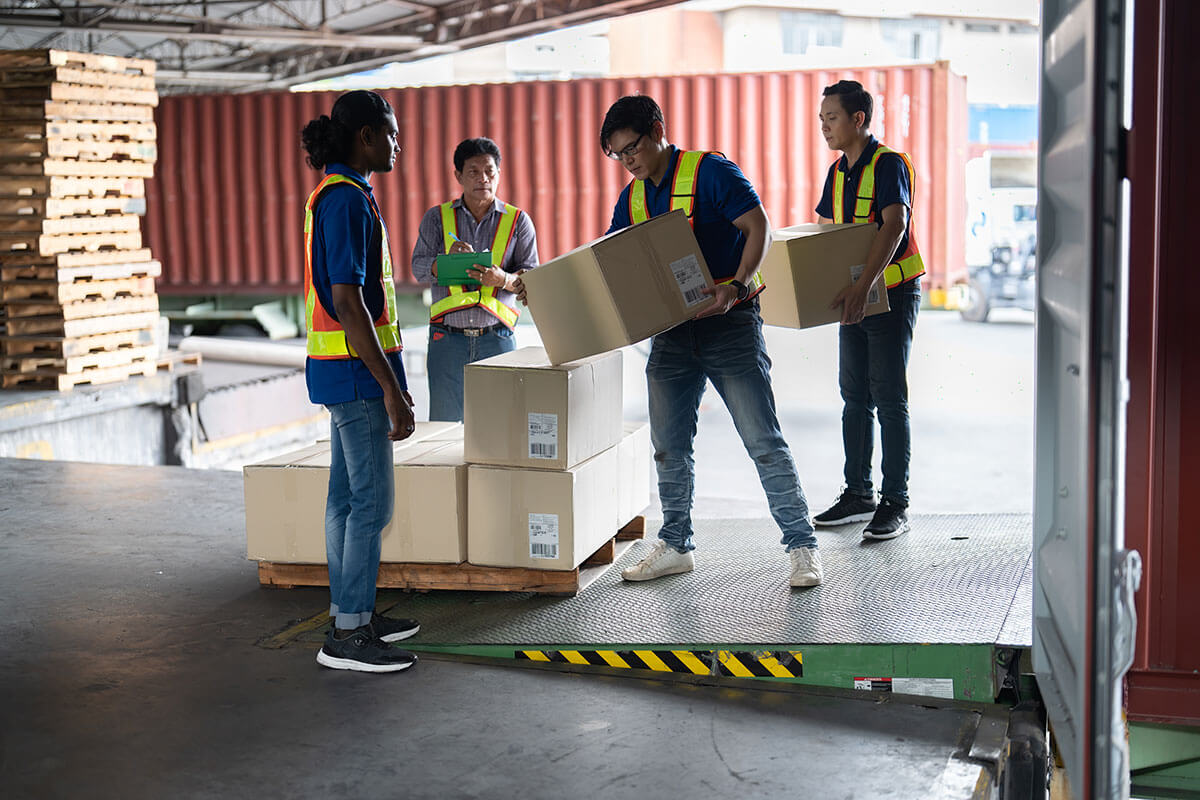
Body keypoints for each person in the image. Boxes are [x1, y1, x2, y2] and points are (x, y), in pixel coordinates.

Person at [589, 94, 823, 587]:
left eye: (632, 148)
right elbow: (612, 254)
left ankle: (802, 547)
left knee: (762, 439)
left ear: (657, 130)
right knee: (669, 446)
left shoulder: (710, 172)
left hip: (729, 325)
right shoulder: (631, 198)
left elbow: (759, 226)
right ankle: (676, 544)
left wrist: (735, 285)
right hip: (673, 335)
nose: (628, 162)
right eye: (618, 155)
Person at [300, 90, 421, 672]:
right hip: (356, 376)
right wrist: (392, 391)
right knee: (372, 504)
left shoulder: (338, 193)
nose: (398, 144)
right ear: (366, 136)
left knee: (346, 500)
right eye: (391, 134)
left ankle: (353, 615)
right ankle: (347, 633)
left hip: (339, 373)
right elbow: (349, 304)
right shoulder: (345, 200)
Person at [812, 80, 924, 540]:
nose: (824, 128)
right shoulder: (837, 173)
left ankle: (894, 502)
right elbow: (823, 230)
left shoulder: (888, 164)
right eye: (821, 120)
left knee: (889, 398)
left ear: (859, 119)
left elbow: (894, 224)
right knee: (854, 396)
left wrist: (864, 287)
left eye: (831, 118)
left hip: (891, 296)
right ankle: (858, 494)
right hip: (854, 299)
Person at [411, 137, 539, 421]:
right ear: (458, 175)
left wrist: (502, 278)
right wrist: (444, 261)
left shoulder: (519, 221)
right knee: (444, 429)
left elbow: (533, 276)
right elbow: (417, 267)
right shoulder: (436, 218)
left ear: (498, 174)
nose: (483, 178)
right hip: (447, 341)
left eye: (490, 171)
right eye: (473, 171)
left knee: (501, 426)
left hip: (497, 338)